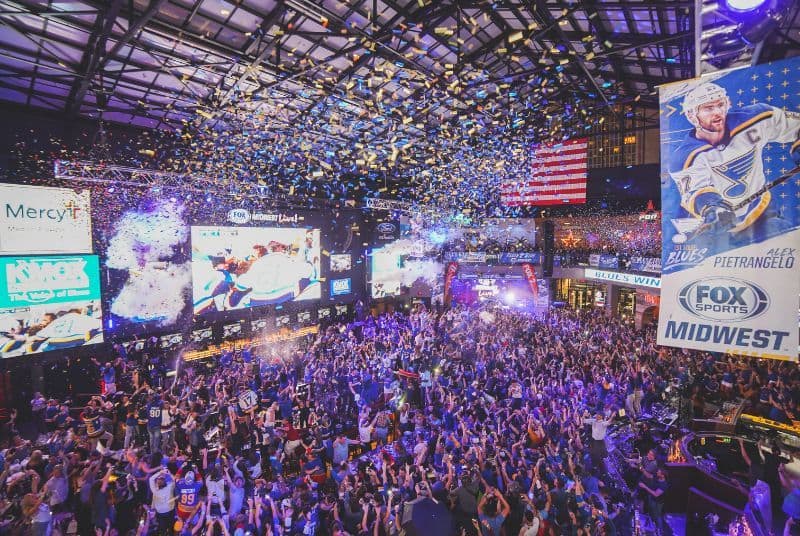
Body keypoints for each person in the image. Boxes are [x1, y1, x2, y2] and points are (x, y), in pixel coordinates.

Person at [668, 82, 800, 246]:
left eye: (720, 105)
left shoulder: (757, 117)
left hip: (760, 210)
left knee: (783, 243)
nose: (717, 112)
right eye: (708, 108)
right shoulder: (684, 157)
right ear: (692, 115)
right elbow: (696, 192)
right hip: (723, 229)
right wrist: (713, 208)